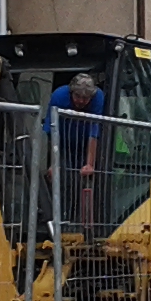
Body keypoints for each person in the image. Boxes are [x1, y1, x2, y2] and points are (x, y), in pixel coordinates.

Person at [48, 72, 106, 219]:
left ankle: (80, 220)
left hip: (86, 146)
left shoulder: (98, 98)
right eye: (78, 97)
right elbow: (51, 130)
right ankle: (61, 219)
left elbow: (94, 130)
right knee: (63, 181)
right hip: (62, 145)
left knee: (85, 182)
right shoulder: (59, 96)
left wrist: (89, 164)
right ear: (71, 92)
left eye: (85, 99)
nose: (81, 101)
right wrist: (52, 163)